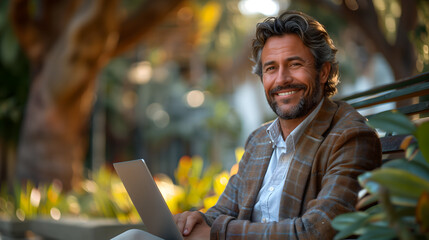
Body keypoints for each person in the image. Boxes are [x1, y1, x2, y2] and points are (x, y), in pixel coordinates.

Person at [114, 10, 381, 240]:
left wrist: (218, 232)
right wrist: (196, 221)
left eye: (295, 64)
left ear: (323, 72)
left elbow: (316, 231)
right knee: (133, 237)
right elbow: (221, 213)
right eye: (270, 68)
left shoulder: (350, 137)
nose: (282, 79)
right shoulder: (260, 139)